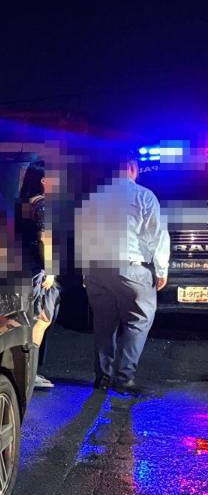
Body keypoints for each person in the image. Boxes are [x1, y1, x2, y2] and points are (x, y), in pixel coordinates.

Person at [75, 155, 169, 393]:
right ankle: (124, 377)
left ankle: (103, 377)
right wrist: (161, 269)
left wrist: (86, 272)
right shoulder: (144, 196)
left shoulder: (93, 198)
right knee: (139, 320)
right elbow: (156, 236)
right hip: (131, 268)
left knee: (104, 323)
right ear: (131, 168)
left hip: (97, 268)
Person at [19, 161, 59, 389]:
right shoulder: (43, 206)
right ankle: (30, 373)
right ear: (44, 181)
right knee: (41, 319)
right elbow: (45, 238)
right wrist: (51, 270)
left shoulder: (21, 205)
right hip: (38, 271)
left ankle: (27, 371)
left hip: (21, 267)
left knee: (27, 320)